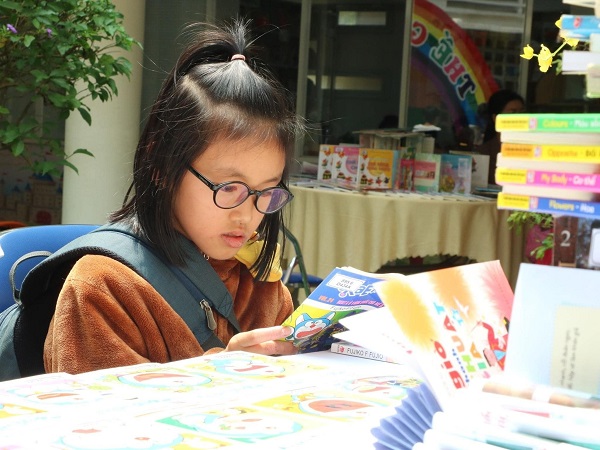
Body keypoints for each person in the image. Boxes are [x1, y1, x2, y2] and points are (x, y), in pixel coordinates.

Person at [43, 20, 302, 375]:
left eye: (267, 191)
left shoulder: (262, 287)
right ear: (162, 166)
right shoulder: (102, 286)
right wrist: (220, 375)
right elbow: (94, 408)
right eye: (229, 188)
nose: (247, 215)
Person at [476, 89, 525, 185]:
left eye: (521, 113)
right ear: (496, 118)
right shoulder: (483, 153)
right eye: (513, 112)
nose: (520, 118)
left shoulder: (530, 149)